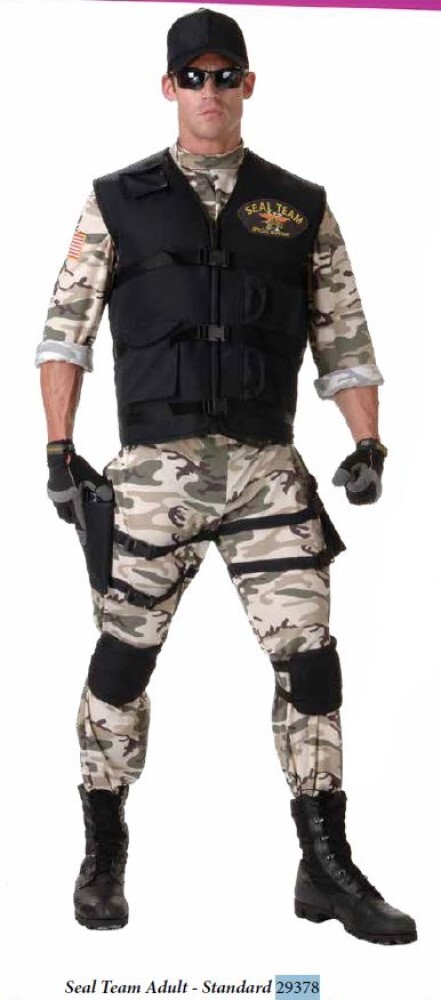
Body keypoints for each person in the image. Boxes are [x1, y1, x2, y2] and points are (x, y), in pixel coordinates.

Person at [37, 7, 416, 944]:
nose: (210, 91)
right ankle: (102, 851)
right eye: (193, 76)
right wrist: (58, 449)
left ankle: (325, 863)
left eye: (225, 75)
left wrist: (368, 444)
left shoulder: (299, 204)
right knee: (121, 662)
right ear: (169, 87)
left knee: (311, 663)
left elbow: (344, 336)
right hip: (149, 479)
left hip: (264, 477)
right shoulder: (116, 200)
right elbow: (65, 331)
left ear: (248, 84)